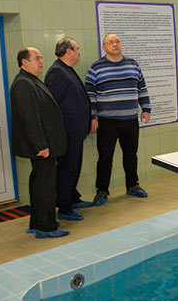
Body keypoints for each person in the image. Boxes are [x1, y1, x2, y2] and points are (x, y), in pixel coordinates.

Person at [85, 34, 151, 206]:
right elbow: (90, 95)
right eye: (111, 42)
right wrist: (92, 117)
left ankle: (132, 185)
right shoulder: (96, 67)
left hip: (130, 119)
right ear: (104, 47)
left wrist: (146, 109)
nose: (115, 44)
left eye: (117, 42)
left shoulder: (133, 64)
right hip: (107, 121)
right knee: (105, 157)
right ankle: (102, 190)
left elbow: (141, 88)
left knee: (131, 155)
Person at [10, 47, 69, 238]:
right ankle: (45, 227)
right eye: (37, 58)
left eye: (42, 58)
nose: (41, 61)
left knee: (40, 183)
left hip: (46, 143)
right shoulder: (22, 84)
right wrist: (40, 145)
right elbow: (29, 118)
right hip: (42, 146)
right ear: (24, 62)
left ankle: (38, 221)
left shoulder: (31, 80)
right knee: (44, 186)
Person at [44, 37, 93, 221]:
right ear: (68, 51)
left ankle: (72, 197)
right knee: (66, 169)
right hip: (67, 132)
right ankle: (64, 207)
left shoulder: (66, 70)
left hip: (76, 131)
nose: (79, 52)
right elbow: (53, 107)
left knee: (74, 168)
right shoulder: (57, 72)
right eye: (77, 48)